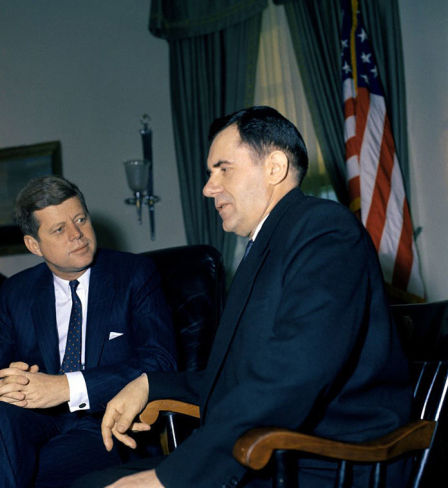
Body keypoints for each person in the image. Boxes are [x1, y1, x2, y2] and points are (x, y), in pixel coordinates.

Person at [76, 106, 413, 487]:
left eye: (223, 168)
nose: (208, 187)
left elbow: (292, 377)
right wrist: (151, 384)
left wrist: (172, 478)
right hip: (270, 453)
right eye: (209, 173)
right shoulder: (269, 242)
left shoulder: (325, 231)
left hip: (320, 463)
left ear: (274, 167)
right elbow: (238, 379)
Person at [0, 176, 177, 488]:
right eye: (59, 229)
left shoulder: (134, 275)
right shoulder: (16, 292)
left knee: (28, 468)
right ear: (34, 245)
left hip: (106, 423)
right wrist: (11, 377)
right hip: (33, 421)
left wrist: (65, 387)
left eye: (80, 219)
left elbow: (160, 363)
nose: (77, 235)